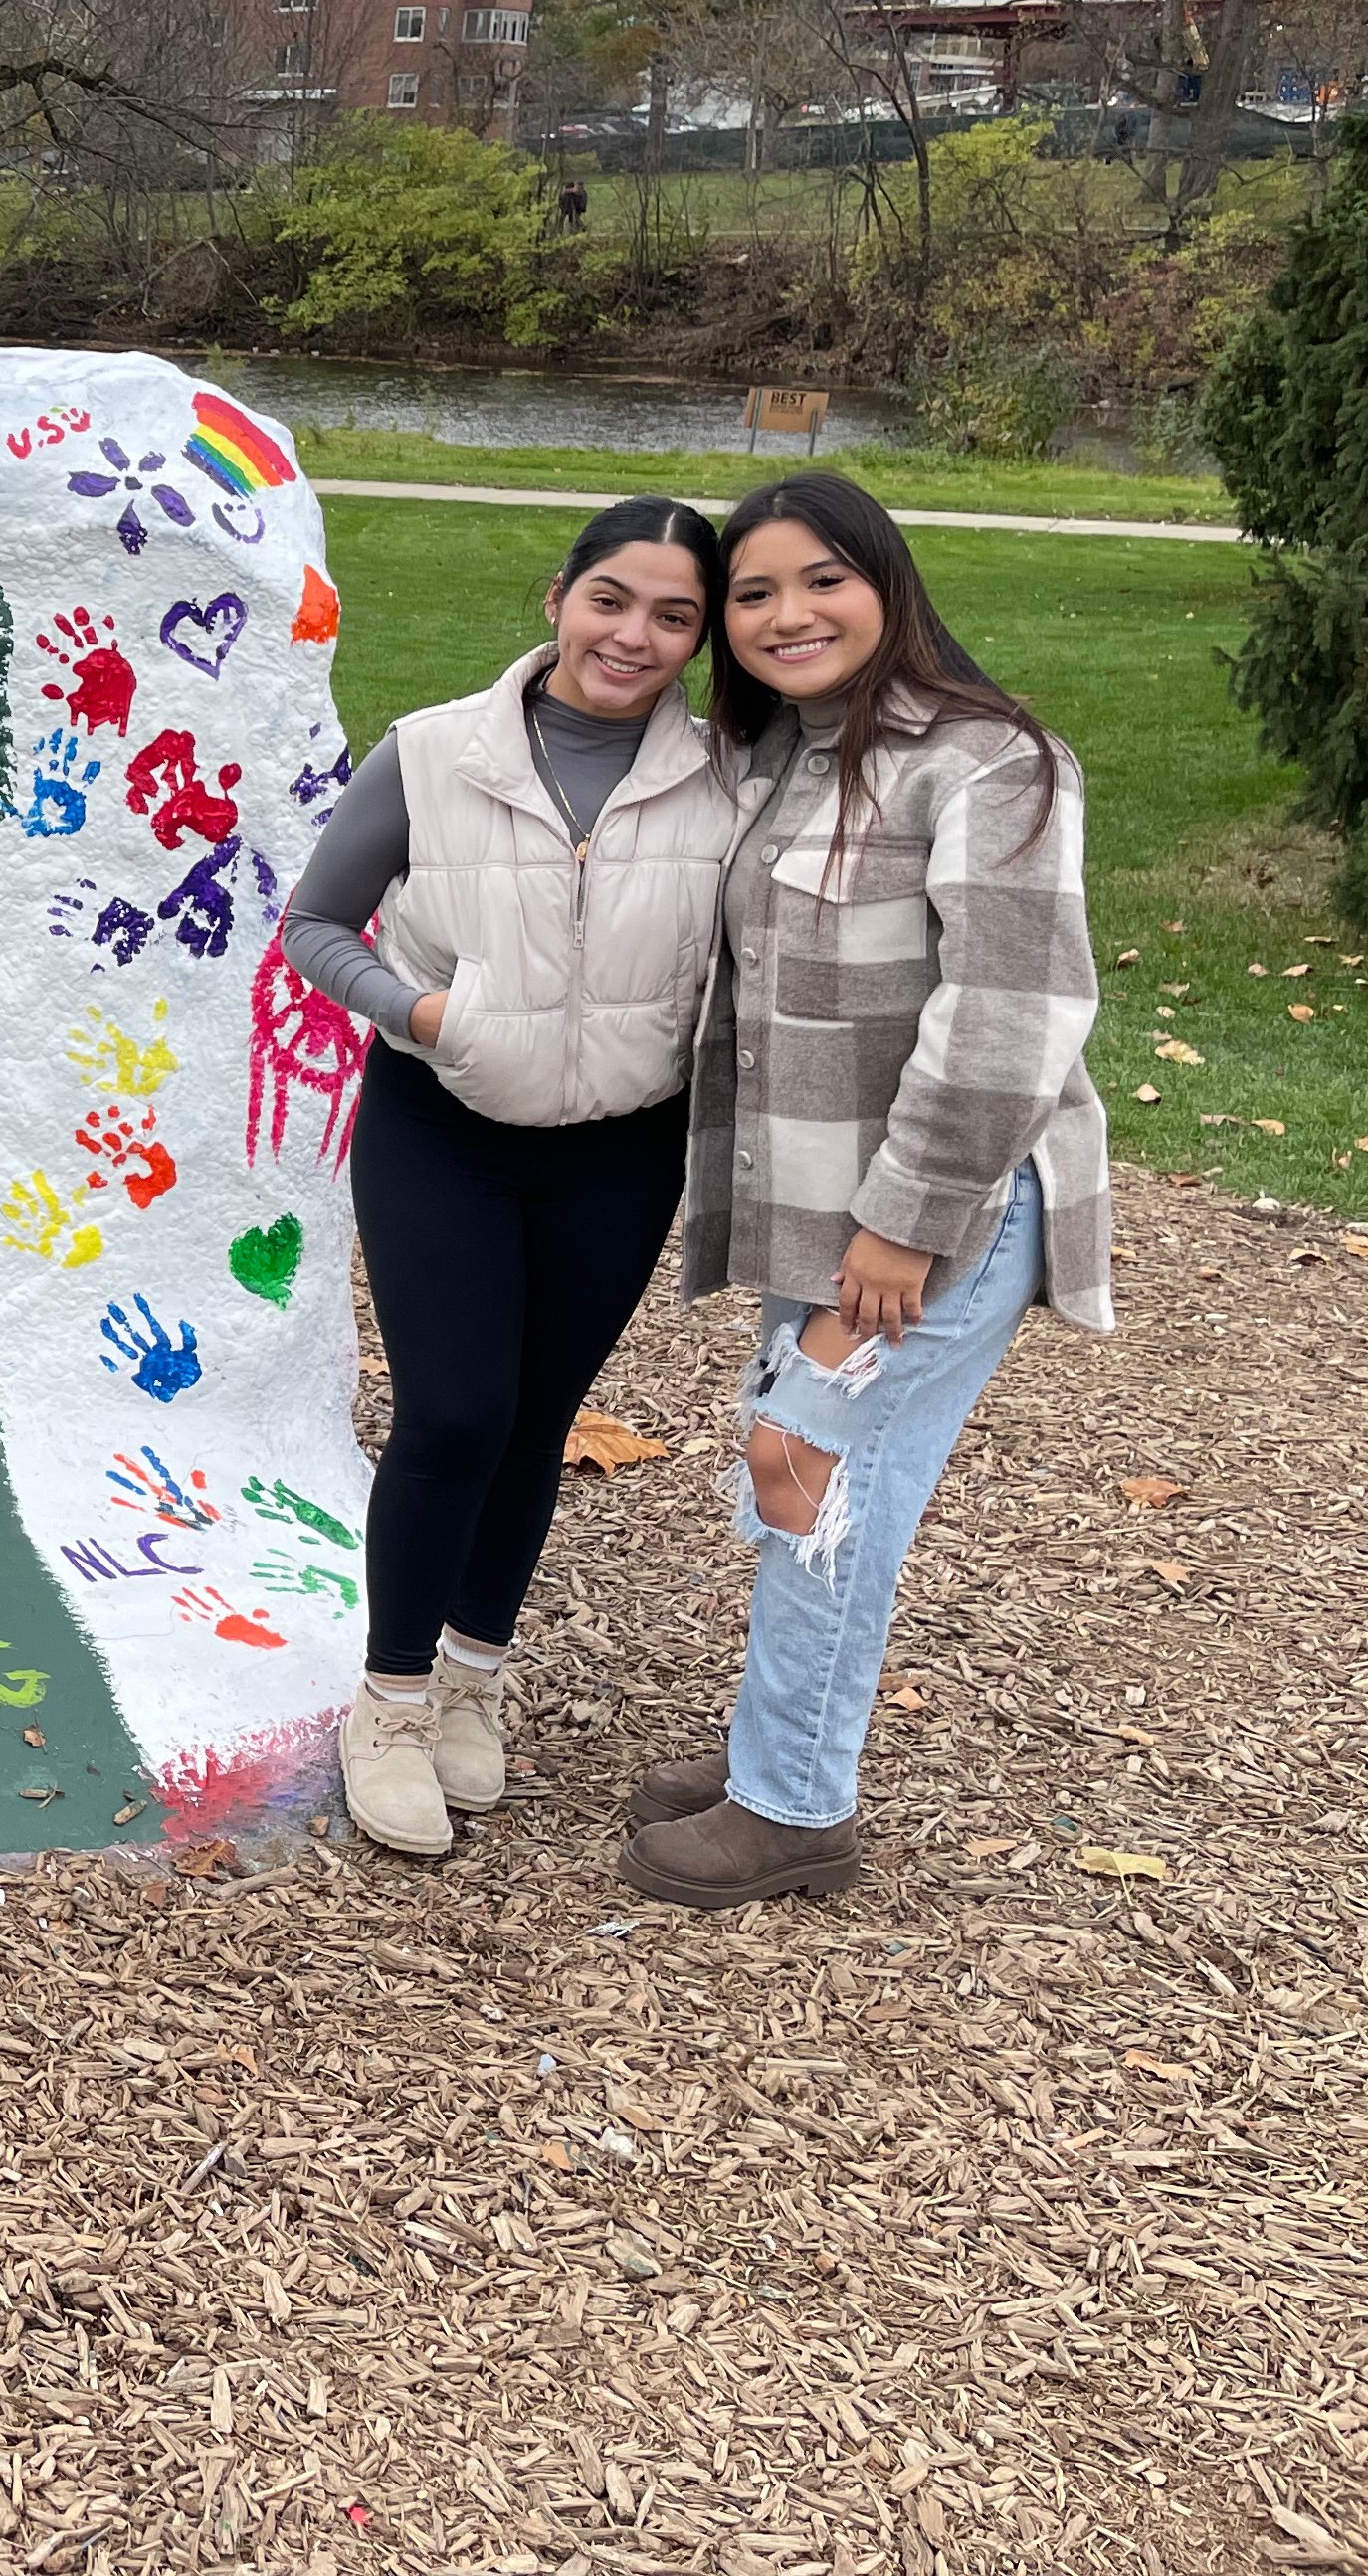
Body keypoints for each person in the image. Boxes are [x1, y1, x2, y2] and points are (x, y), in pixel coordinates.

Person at [621, 470, 1109, 1907]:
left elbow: (1013, 1015)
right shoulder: (777, 760)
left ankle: (795, 1808)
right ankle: (778, 1747)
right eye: (755, 593)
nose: (787, 614)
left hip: (935, 1217)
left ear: (887, 583)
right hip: (831, 1210)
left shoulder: (988, 761)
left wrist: (907, 1219)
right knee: (799, 1468)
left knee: (815, 1468)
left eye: (820, 579)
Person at [282, 496, 748, 1857]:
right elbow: (316, 922)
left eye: (675, 615)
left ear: (703, 637)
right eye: (612, 598)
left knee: (540, 1418)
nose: (636, 635)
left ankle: (478, 1679)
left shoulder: (725, 780)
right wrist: (422, 1016)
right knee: (453, 1416)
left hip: (619, 1145)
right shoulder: (433, 753)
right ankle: (393, 1702)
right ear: (558, 598)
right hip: (444, 1128)